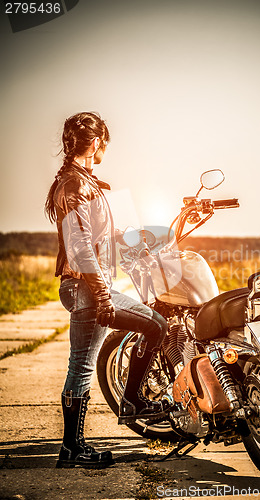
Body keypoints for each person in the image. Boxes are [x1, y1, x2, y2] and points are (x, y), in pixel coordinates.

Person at [45, 112, 168, 469]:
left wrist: (144, 242)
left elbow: (100, 240)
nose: (104, 151)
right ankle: (74, 447)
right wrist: (101, 296)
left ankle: (130, 403)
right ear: (96, 143)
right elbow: (81, 247)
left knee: (155, 326)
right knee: (83, 365)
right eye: (104, 144)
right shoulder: (74, 185)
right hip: (86, 288)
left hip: (89, 285)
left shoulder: (82, 181)